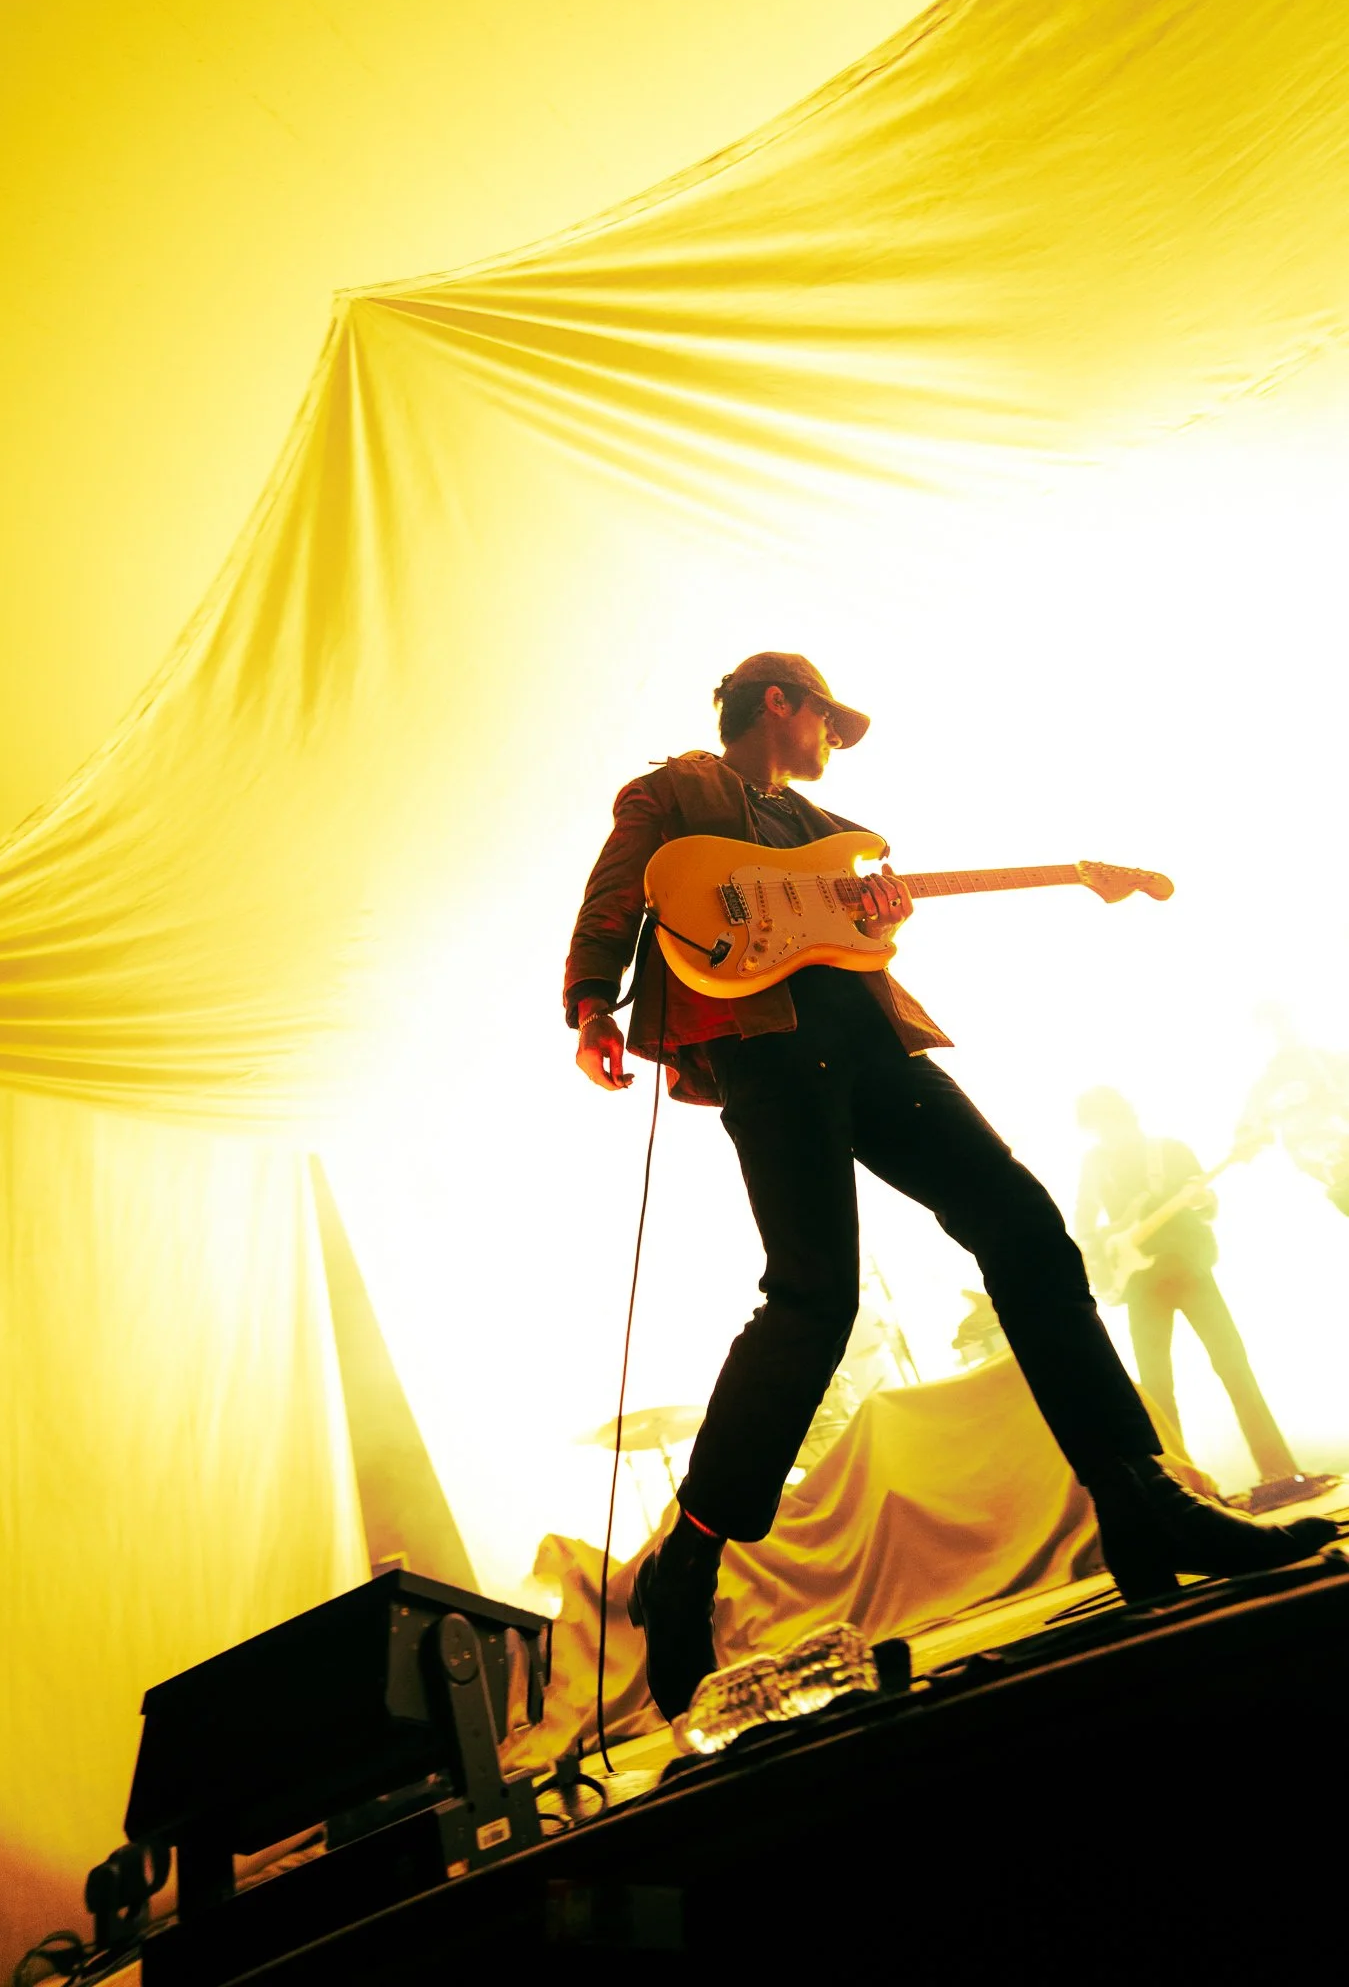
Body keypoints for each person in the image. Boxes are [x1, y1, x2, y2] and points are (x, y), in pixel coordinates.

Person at [564, 654, 1337, 1722]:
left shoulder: (834, 825)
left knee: (1021, 1220)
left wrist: (879, 910)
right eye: (828, 718)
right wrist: (592, 1005)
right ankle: (687, 1560)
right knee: (814, 1298)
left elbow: (857, 928)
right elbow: (616, 893)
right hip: (767, 1050)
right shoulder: (677, 791)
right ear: (779, 703)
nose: (836, 739)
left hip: (871, 1043)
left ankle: (1139, 1494)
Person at [1074, 1087, 1300, 1485]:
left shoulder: (1169, 1150)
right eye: (1096, 1129)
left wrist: (1201, 1200)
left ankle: (1279, 1469)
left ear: (1125, 1117)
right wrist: (1105, 1254)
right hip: (1141, 1283)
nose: (1104, 1136)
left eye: (1107, 1125)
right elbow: (1084, 1223)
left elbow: (1207, 1205)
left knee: (1233, 1367)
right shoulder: (1095, 1164)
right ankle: (1182, 1485)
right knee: (1158, 1387)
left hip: (1191, 1269)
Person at [1237, 1004, 1349, 1217]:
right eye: (1270, 1027)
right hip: (1322, 1155)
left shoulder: (1336, 1062)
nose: (1280, 1033)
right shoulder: (1267, 1087)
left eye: (1282, 1022)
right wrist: (1246, 1136)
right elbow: (1248, 1124)